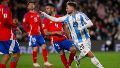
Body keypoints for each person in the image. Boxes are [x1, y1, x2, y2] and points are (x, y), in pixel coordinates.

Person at [41, 1, 104, 68]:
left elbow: (90, 23)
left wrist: (81, 27)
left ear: (72, 8)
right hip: (77, 41)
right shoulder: (66, 17)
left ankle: (77, 59)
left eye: (67, 8)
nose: (66, 9)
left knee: (86, 54)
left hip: (86, 38)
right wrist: (45, 15)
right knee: (90, 54)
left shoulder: (81, 15)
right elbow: (55, 19)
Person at [42, 3, 76, 68]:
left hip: (64, 39)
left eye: (48, 8)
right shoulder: (45, 20)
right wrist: (56, 32)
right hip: (55, 41)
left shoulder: (60, 17)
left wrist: (69, 37)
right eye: (46, 9)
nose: (46, 10)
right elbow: (45, 33)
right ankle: (67, 67)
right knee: (61, 53)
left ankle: (68, 64)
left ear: (53, 9)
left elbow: (65, 28)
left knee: (73, 49)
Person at [22, 0, 53, 67]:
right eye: (30, 4)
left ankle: (46, 62)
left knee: (44, 46)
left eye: (32, 4)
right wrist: (28, 31)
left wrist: (43, 34)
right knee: (35, 48)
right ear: (27, 7)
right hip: (32, 35)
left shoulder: (37, 15)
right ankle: (35, 62)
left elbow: (40, 26)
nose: (32, 5)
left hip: (39, 35)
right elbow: (24, 24)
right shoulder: (27, 15)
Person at [0, 0, 20, 68]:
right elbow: (5, 20)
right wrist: (15, 26)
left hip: (1, 36)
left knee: (7, 55)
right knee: (16, 54)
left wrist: (11, 20)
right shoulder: (5, 8)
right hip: (7, 35)